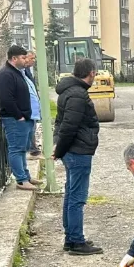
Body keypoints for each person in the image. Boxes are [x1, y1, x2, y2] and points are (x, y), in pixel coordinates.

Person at [52, 59, 104, 256]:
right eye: (95, 73)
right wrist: (60, 150)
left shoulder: (69, 91)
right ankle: (75, 240)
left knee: (71, 193)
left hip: (72, 150)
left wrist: (60, 148)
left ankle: (71, 237)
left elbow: (61, 124)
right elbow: (68, 127)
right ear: (90, 73)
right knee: (77, 197)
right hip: (78, 151)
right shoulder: (77, 95)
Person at [0, 44, 39, 191]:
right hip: (14, 119)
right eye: (23, 57)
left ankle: (25, 176)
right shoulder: (5, 75)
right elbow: (6, 99)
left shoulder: (17, 72)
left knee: (22, 149)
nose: (26, 60)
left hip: (23, 117)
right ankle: (21, 180)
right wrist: (18, 115)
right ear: (14, 58)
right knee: (16, 149)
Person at [23, 52, 44, 161]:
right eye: (32, 58)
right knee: (30, 128)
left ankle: (33, 149)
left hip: (32, 107)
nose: (33, 60)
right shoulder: (22, 72)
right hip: (28, 108)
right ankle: (32, 150)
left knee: (33, 127)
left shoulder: (27, 71)